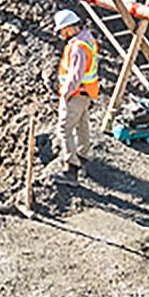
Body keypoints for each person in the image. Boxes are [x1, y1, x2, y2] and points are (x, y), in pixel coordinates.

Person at [52, 9, 100, 176]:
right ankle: (82, 157)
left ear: (70, 27)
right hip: (87, 92)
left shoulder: (78, 48)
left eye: (62, 30)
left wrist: (66, 93)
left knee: (64, 128)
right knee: (82, 125)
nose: (62, 34)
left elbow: (75, 75)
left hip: (76, 94)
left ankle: (71, 169)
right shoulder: (88, 40)